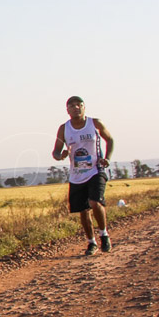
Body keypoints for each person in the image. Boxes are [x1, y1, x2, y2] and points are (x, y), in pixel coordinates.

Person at [52, 96, 115, 256]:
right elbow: (56, 152)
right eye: (72, 106)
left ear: (84, 107)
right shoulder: (64, 129)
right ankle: (91, 242)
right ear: (67, 110)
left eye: (79, 105)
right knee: (83, 210)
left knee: (95, 202)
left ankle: (104, 234)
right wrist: (61, 155)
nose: (76, 108)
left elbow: (110, 139)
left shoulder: (95, 123)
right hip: (77, 174)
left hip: (96, 170)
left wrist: (107, 158)